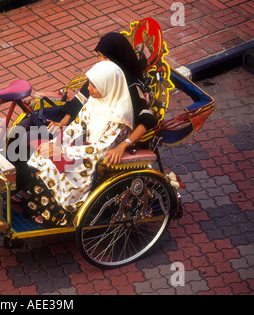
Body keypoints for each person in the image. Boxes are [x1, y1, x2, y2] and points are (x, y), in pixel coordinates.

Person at [10, 32, 157, 203]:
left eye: (104, 57)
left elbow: (147, 119)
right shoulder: (101, 75)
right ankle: (17, 183)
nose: (100, 61)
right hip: (78, 121)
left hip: (88, 136)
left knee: (26, 139)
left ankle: (22, 185)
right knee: (21, 128)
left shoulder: (129, 86)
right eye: (99, 56)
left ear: (117, 57)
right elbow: (81, 100)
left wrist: (124, 145)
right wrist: (63, 123)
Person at [24, 60, 134, 227]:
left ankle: (55, 216)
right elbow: (76, 127)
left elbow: (101, 148)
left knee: (54, 169)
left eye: (94, 86)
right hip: (79, 148)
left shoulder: (119, 115)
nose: (89, 89)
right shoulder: (95, 101)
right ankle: (38, 206)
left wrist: (62, 151)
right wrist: (56, 144)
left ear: (108, 86)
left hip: (97, 159)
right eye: (89, 83)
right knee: (41, 157)